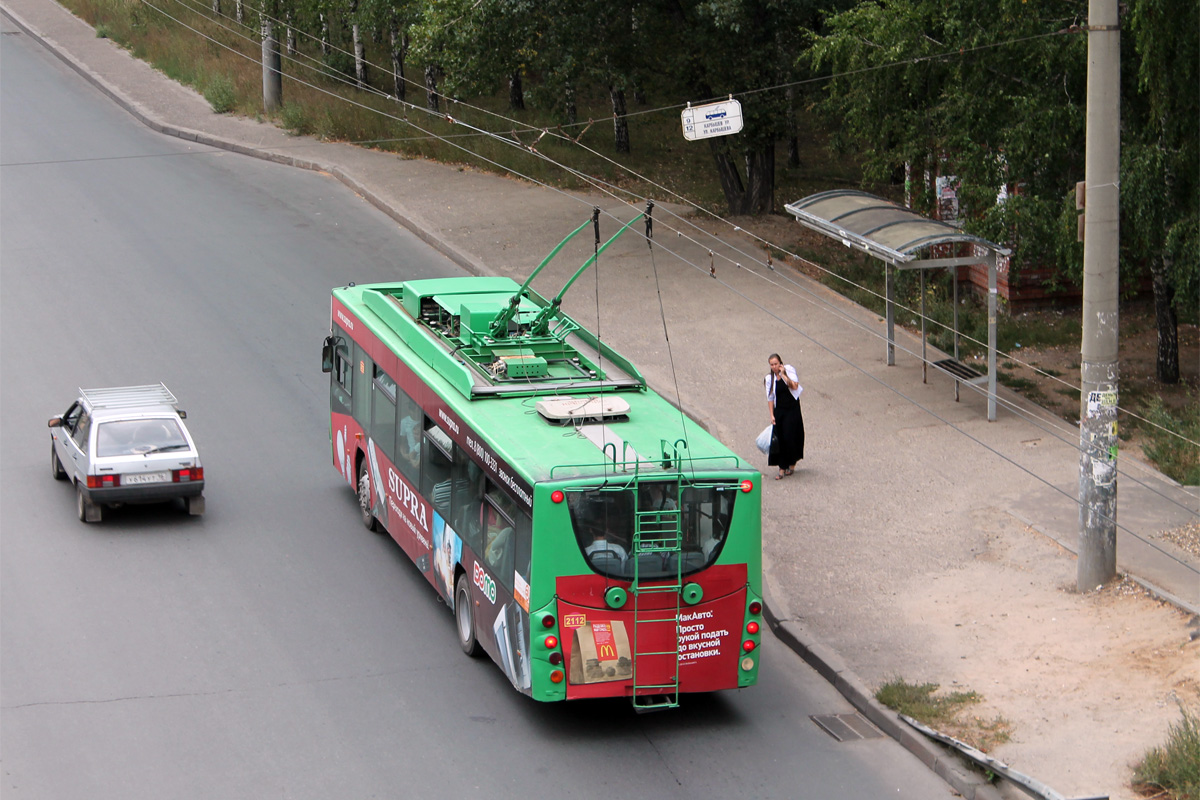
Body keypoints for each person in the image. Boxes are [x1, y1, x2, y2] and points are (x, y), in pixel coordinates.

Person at [765, 352, 804, 479]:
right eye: (772, 365)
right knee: (780, 438)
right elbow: (770, 398)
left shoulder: (789, 370)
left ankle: (791, 463)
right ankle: (781, 468)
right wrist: (772, 415)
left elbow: (794, 386)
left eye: (776, 364)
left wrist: (783, 375)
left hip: (792, 409)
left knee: (791, 436)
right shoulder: (769, 379)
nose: (774, 367)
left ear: (780, 363)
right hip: (780, 410)